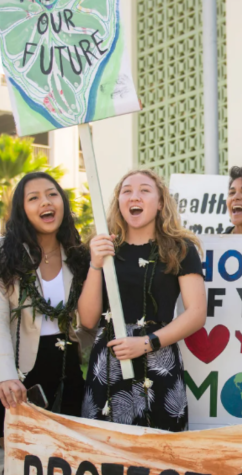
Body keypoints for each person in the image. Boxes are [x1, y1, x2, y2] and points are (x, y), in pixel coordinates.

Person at [78, 169, 206, 431]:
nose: (134, 196)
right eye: (127, 191)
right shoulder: (103, 248)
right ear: (119, 202)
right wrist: (95, 264)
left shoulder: (180, 248)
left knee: (162, 455)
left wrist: (147, 343)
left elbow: (196, 313)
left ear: (160, 203)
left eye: (144, 190)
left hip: (159, 360)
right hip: (110, 362)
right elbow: (88, 320)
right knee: (106, 454)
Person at [0, 172, 89, 439]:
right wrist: (4, 376)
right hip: (16, 367)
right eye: (34, 198)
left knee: (68, 464)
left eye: (52, 194)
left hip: (69, 367)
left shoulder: (78, 254)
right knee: (21, 468)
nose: (45, 202)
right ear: (21, 209)